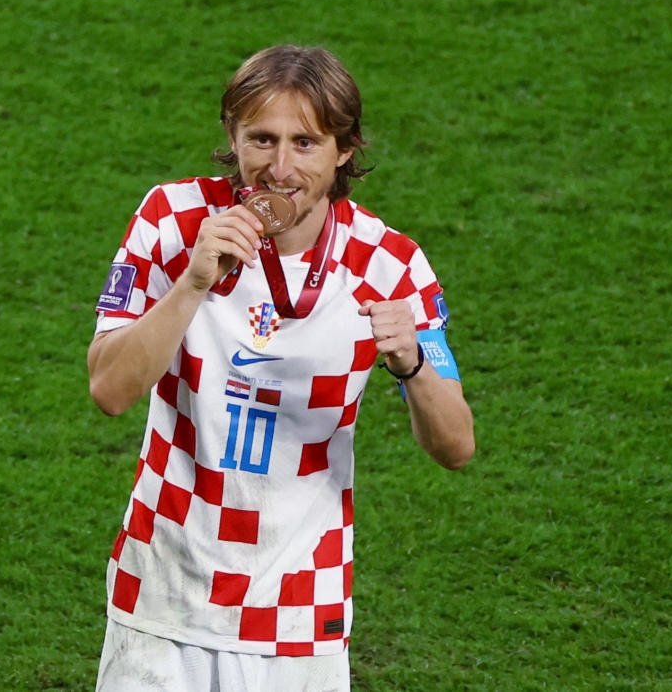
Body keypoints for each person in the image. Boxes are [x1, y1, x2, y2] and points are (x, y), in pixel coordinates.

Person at [87, 45, 474, 692]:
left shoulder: (391, 268)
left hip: (300, 620)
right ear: (232, 137)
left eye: (306, 143)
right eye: (262, 139)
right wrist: (192, 284)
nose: (280, 167)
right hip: (159, 599)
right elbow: (109, 389)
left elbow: (456, 445)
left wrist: (411, 363)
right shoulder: (173, 220)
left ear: (344, 149)